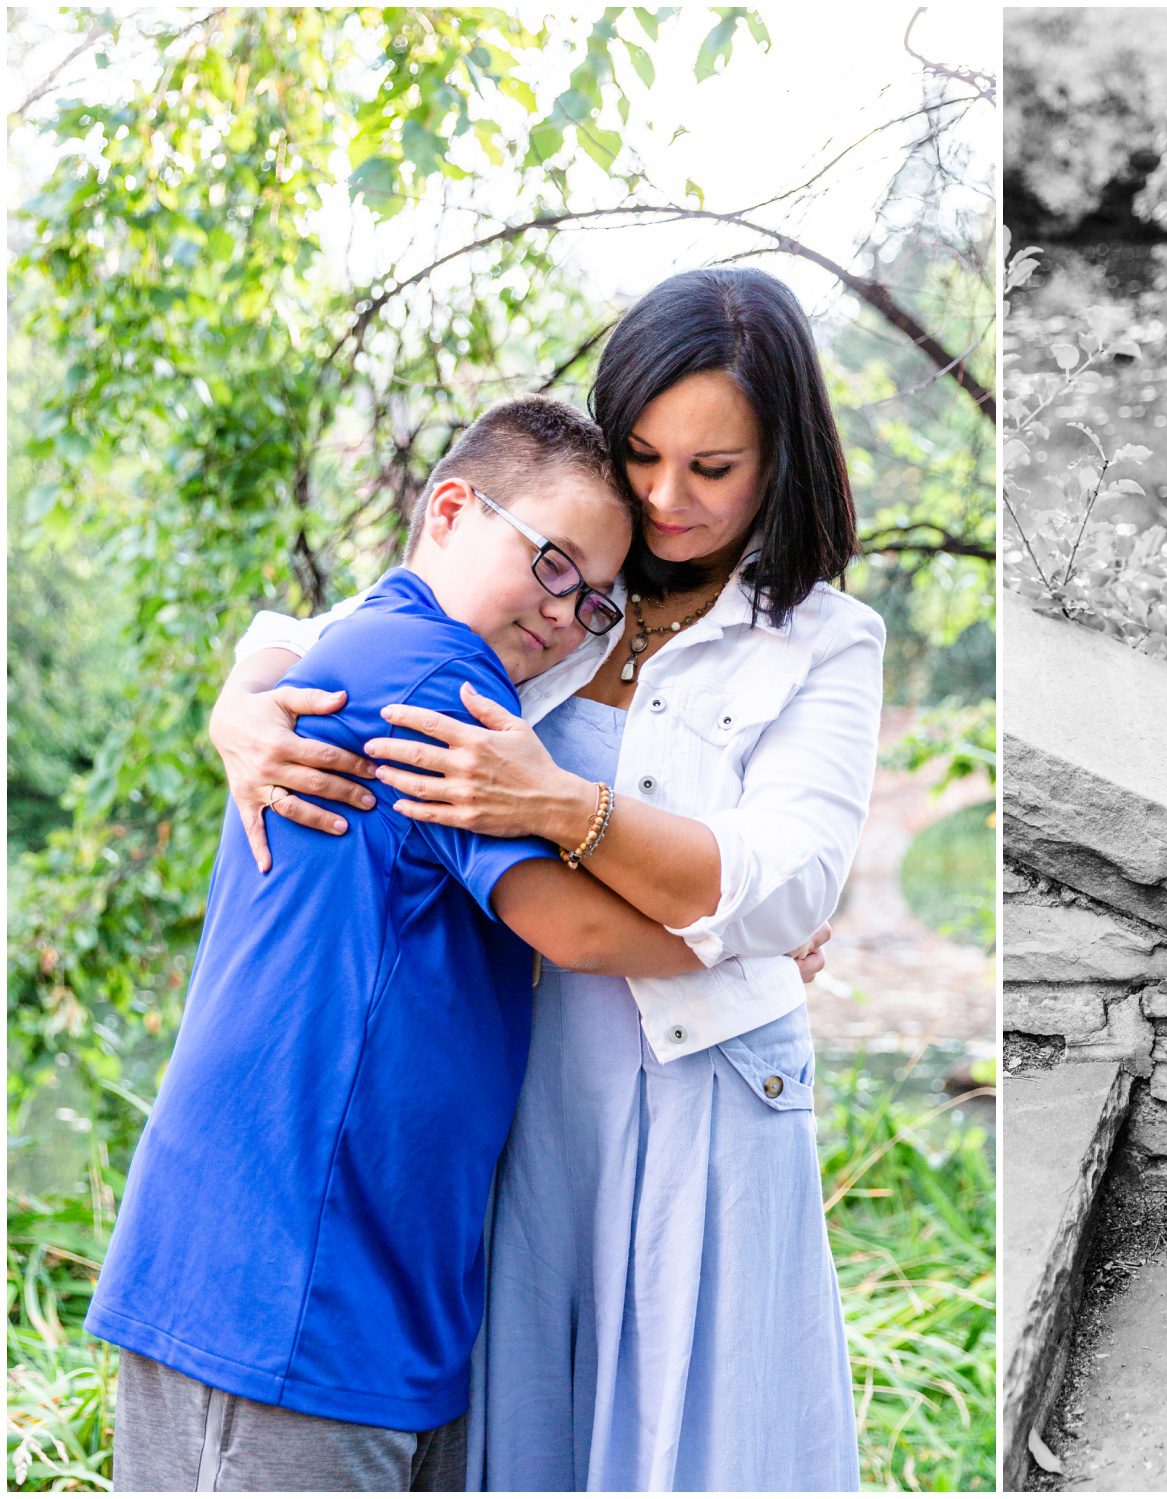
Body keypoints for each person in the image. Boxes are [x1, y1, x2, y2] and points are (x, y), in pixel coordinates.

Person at [209, 267, 885, 1491]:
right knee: (532, 1445)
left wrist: (563, 806)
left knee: (697, 1451)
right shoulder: (561, 589)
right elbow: (328, 635)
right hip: (524, 1094)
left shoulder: (821, 640)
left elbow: (787, 885)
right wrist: (237, 709)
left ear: (781, 459)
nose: (668, 500)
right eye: (641, 455)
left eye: (713, 468)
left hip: (710, 1083)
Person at [87, 395, 731, 1490]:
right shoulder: (432, 679)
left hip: (373, 1286)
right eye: (552, 563)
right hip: (285, 1277)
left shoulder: (390, 651)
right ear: (448, 510)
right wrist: (739, 949)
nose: (566, 612)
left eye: (594, 598)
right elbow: (564, 924)